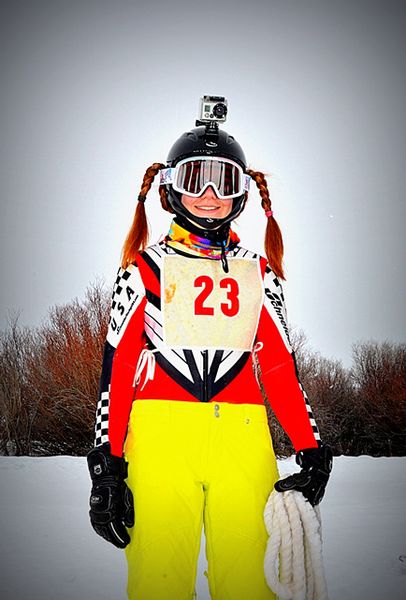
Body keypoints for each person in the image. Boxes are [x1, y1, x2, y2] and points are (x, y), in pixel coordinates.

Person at [86, 103, 333, 600]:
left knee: (250, 582)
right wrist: (106, 465)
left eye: (223, 181)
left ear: (242, 191)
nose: (209, 196)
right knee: (158, 580)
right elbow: (119, 365)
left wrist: (312, 449)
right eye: (196, 178)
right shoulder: (144, 266)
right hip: (159, 436)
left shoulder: (258, 271)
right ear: (171, 187)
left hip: (242, 439)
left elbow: (281, 366)